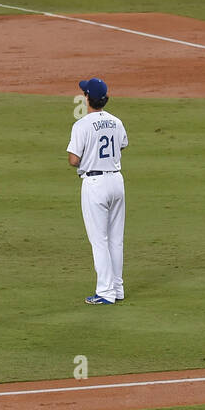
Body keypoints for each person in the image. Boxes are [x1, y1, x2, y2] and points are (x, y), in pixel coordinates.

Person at [67, 78, 128, 306]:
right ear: (106, 99)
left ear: (87, 99)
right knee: (115, 239)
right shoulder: (116, 121)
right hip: (116, 182)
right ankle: (117, 288)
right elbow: (122, 144)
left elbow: (74, 160)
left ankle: (105, 292)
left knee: (99, 241)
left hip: (95, 185)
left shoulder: (81, 125)